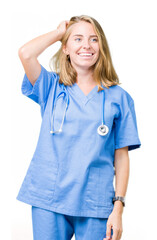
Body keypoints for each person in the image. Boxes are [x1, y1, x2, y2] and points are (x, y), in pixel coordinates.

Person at [17, 15, 141, 240]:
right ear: (65, 47)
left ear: (101, 46)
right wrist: (58, 33)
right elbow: (26, 53)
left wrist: (118, 207)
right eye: (77, 39)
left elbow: (121, 157)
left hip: (95, 202)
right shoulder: (51, 86)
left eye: (94, 39)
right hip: (49, 198)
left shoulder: (119, 98)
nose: (86, 45)